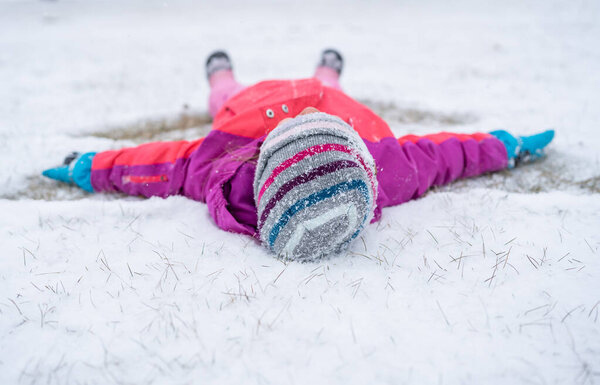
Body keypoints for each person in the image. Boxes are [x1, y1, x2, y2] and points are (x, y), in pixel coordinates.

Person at [42, 49, 555, 261]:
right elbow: (451, 155)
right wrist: (504, 147)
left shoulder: (217, 164)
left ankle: (220, 72)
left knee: (225, 96)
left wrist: (90, 168)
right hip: (331, 101)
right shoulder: (387, 169)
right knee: (325, 82)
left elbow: (152, 164)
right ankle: (327, 69)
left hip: (248, 109)